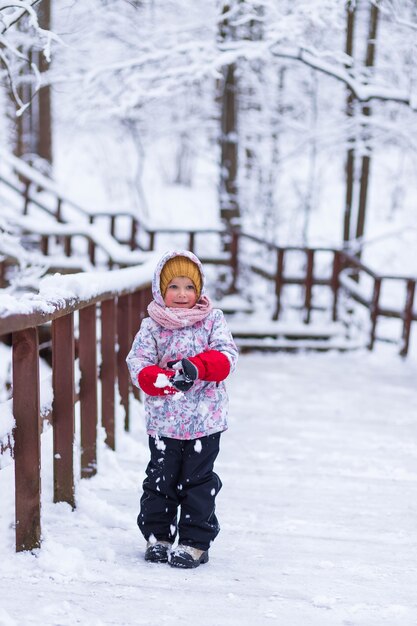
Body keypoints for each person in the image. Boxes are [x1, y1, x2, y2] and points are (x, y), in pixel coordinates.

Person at [126, 250, 238, 569]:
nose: (181, 294)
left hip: (205, 421)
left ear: (199, 290)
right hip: (164, 422)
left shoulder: (212, 320)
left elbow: (227, 356)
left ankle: (194, 542)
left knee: (198, 482)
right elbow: (138, 363)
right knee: (160, 480)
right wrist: (163, 379)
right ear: (161, 290)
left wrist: (198, 367)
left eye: (189, 287)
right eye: (173, 286)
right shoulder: (152, 326)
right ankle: (158, 537)